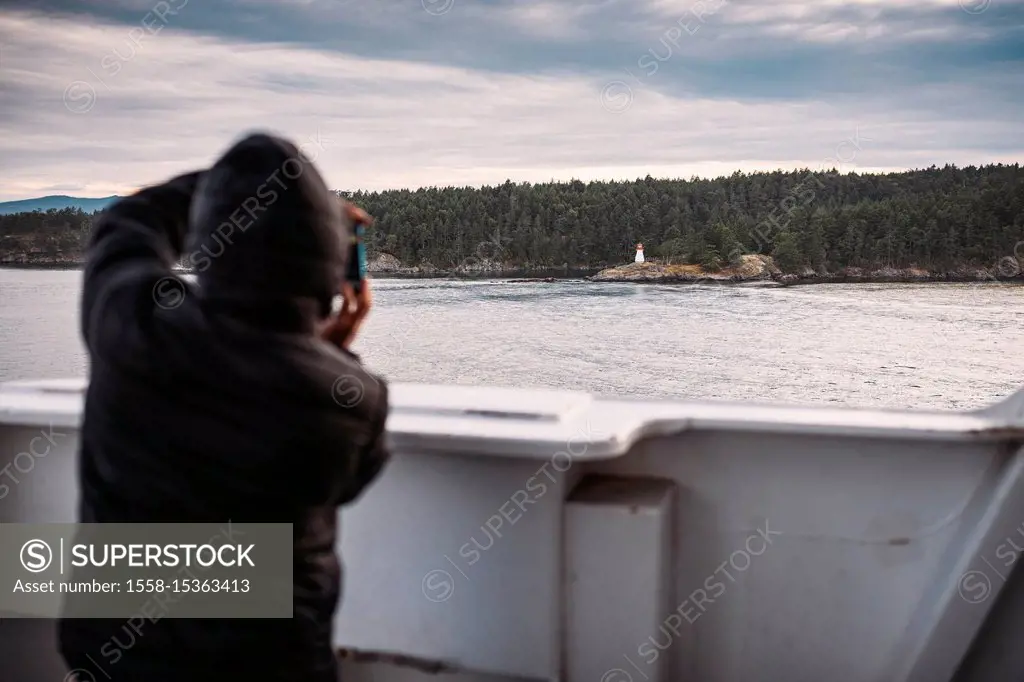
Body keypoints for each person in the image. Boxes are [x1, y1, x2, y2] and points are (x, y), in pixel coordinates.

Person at [58, 132, 391, 682]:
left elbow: (128, 221)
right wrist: (334, 350)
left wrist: (236, 192)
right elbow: (348, 477)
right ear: (332, 272)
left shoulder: (134, 327)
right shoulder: (354, 403)